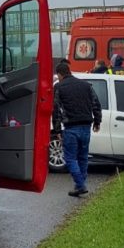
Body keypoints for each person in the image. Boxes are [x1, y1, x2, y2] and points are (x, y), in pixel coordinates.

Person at [52, 60, 102, 197]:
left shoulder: (59, 87)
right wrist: (97, 122)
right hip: (86, 127)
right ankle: (79, 186)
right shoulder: (85, 85)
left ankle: (80, 185)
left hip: (71, 128)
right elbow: (96, 104)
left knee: (70, 158)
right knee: (83, 157)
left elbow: (55, 110)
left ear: (59, 74)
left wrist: (57, 130)